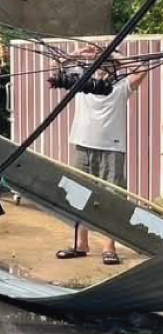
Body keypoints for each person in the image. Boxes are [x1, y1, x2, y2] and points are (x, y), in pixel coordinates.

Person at [54, 44, 148, 265]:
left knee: (111, 198)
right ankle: (80, 243)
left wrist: (113, 54)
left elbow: (142, 70)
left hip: (112, 149)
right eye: (99, 63)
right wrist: (78, 54)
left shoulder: (122, 86)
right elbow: (54, 68)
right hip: (82, 145)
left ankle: (109, 246)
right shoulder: (83, 81)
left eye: (107, 64)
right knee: (78, 194)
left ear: (114, 67)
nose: (101, 67)